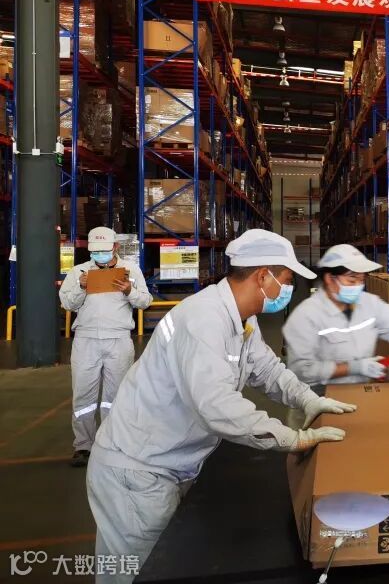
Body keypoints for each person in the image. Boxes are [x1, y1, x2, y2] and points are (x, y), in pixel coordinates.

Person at [86, 230, 356, 583]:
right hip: (138, 470)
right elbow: (216, 405)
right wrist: (291, 438)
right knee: (140, 574)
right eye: (287, 280)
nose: (288, 290)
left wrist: (308, 399)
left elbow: (266, 369)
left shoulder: (242, 318)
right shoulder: (204, 319)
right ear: (263, 276)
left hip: (168, 462)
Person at [283, 244, 389, 426]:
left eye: (361, 280)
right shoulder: (306, 315)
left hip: (357, 398)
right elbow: (301, 370)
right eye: (352, 280)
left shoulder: (368, 304)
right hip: (315, 405)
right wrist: (354, 367)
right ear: (329, 278)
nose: (358, 286)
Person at [58, 227, 152, 468]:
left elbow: (145, 301)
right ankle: (83, 445)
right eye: (95, 251)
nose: (100, 255)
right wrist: (80, 287)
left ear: (115, 247)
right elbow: (67, 303)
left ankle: (112, 443)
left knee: (116, 396)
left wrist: (129, 290)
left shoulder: (130, 271)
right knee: (83, 396)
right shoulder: (79, 272)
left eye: (104, 250)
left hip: (118, 339)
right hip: (86, 340)